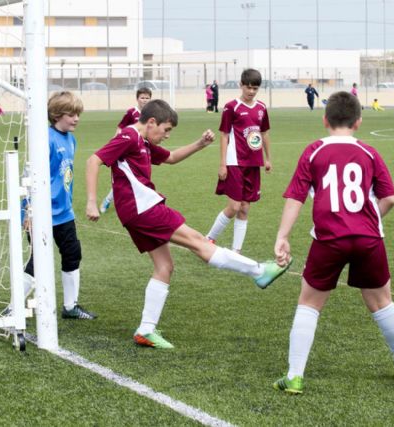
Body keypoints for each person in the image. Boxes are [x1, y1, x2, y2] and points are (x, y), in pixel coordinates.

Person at [85, 99, 292, 349]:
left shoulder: (144, 142)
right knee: (199, 242)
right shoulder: (129, 136)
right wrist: (92, 202)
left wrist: (200, 144)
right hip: (144, 208)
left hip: (136, 211)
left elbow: (171, 158)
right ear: (151, 122)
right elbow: (94, 160)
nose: (167, 135)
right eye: (166, 129)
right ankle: (259, 271)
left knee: (164, 266)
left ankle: (146, 330)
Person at [271, 91, 394, 395]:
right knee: (381, 300)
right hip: (368, 238)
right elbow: (389, 198)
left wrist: (282, 236)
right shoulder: (369, 153)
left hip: (329, 239)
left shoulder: (314, 151)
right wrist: (369, 218)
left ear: (325, 119)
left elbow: (296, 197)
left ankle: (295, 376)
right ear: (359, 122)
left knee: (310, 303)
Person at [22, 91, 96, 320]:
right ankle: (16, 306)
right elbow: (29, 175)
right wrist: (28, 211)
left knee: (73, 254)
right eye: (71, 114)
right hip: (41, 213)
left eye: (78, 114)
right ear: (56, 115)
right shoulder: (44, 139)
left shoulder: (70, 139)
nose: (76, 119)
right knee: (38, 261)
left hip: (64, 213)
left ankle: (70, 306)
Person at [205, 68, 272, 254]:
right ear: (241, 85)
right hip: (234, 162)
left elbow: (264, 133)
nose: (251, 91)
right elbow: (224, 135)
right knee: (234, 206)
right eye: (248, 87)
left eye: (255, 88)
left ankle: (236, 251)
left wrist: (267, 158)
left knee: (244, 208)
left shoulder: (261, 108)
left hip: (253, 163)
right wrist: (222, 163)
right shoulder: (231, 107)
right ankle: (209, 238)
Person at [100, 87, 153, 214]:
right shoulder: (131, 112)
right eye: (142, 98)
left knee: (141, 178)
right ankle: (107, 200)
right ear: (137, 99)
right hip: (128, 150)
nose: (145, 100)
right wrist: (115, 141)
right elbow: (120, 127)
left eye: (147, 98)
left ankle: (141, 202)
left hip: (143, 150)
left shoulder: (152, 114)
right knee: (126, 178)